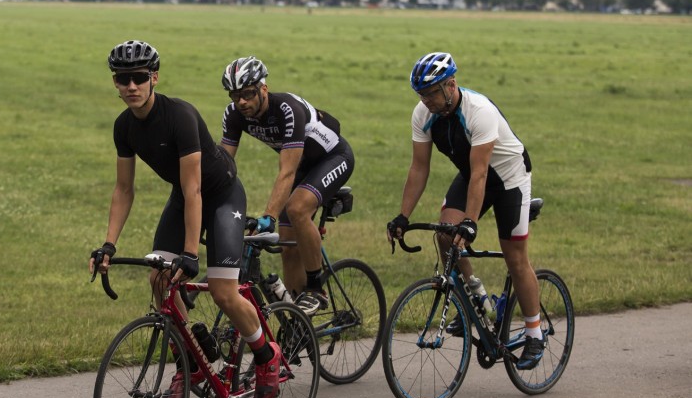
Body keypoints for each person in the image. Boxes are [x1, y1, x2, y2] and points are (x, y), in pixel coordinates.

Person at [89, 40, 280, 398]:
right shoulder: (124, 127)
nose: (131, 86)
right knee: (160, 278)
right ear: (115, 82)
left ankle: (265, 353)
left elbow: (195, 190)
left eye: (139, 78)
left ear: (154, 78)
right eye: (123, 79)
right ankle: (189, 365)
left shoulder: (180, 116)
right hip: (184, 197)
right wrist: (108, 245)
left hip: (221, 196)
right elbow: (124, 189)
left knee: (224, 291)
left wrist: (191, 253)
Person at [386, 51, 545, 370]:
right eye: (421, 94)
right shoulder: (423, 114)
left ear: (451, 85)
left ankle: (534, 334)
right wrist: (403, 215)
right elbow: (419, 168)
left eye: (432, 92)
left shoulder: (479, 112)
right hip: (473, 174)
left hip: (509, 177)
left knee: (515, 257)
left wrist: (471, 223)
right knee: (446, 234)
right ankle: (477, 298)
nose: (426, 100)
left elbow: (483, 174)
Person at [219, 56, 354, 316]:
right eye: (235, 96)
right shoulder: (234, 114)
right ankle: (297, 320)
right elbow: (223, 166)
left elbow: (287, 172)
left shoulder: (287, 109)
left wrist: (268, 215)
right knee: (287, 247)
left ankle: (316, 290)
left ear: (263, 89)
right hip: (305, 165)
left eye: (248, 94)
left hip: (333, 157)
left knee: (296, 209)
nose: (242, 102)